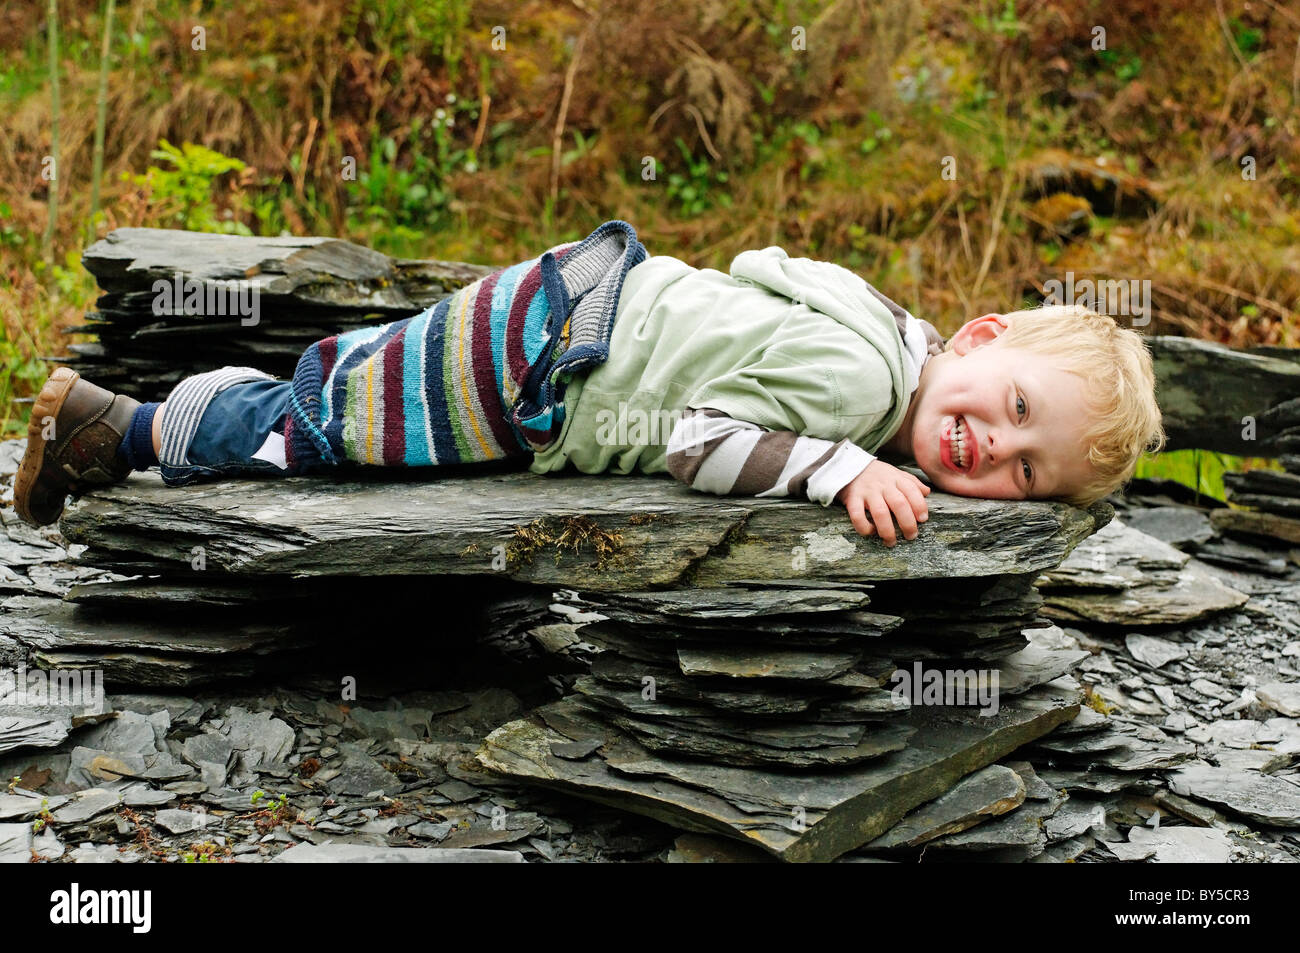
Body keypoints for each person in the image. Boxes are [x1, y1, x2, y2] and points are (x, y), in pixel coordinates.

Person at [13, 220, 1165, 546]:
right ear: (974, 337)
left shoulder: (883, 330)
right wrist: (835, 468)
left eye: (1027, 473)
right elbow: (697, 439)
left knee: (337, 394)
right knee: (316, 435)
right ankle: (120, 428)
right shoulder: (861, 382)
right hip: (541, 362)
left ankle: (171, 407)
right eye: (1014, 409)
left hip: (566, 306)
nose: (989, 451)